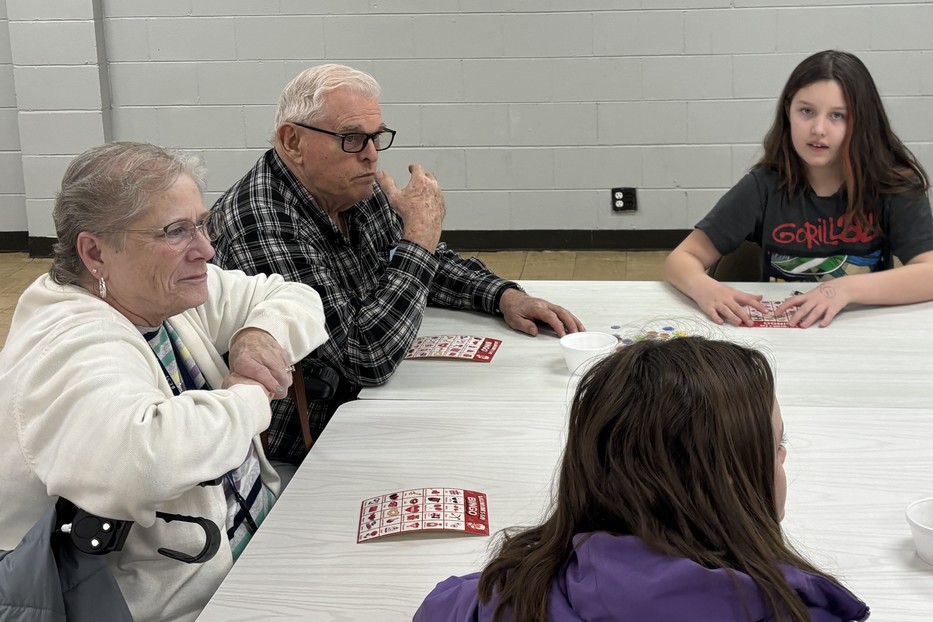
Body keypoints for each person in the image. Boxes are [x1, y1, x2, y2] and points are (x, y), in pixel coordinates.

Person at [0, 142, 329, 622]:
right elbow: (147, 459)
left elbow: (290, 295)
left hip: (244, 546)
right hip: (164, 604)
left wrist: (258, 337)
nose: (206, 249)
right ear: (95, 252)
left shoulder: (158, 289)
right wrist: (252, 392)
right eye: (177, 231)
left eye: (202, 223)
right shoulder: (65, 345)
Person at [213, 64, 582, 463]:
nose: (371, 156)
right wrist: (420, 235)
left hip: (372, 393)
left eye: (376, 138)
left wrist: (503, 296)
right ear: (293, 141)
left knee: (516, 406)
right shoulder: (259, 218)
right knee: (493, 442)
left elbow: (415, 264)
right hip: (309, 428)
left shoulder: (349, 185)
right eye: (352, 139)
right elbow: (364, 356)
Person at [414, 336, 869, 622]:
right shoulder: (799, 607)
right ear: (727, 482)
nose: (784, 457)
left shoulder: (508, 598)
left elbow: (438, 606)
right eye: (775, 448)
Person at [665, 50, 933, 328]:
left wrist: (841, 290)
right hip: (784, 336)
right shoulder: (762, 187)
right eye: (806, 111)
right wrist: (706, 289)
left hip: (862, 329)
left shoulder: (893, 186)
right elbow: (681, 259)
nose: (818, 129)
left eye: (838, 115)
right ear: (788, 111)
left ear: (863, 121)